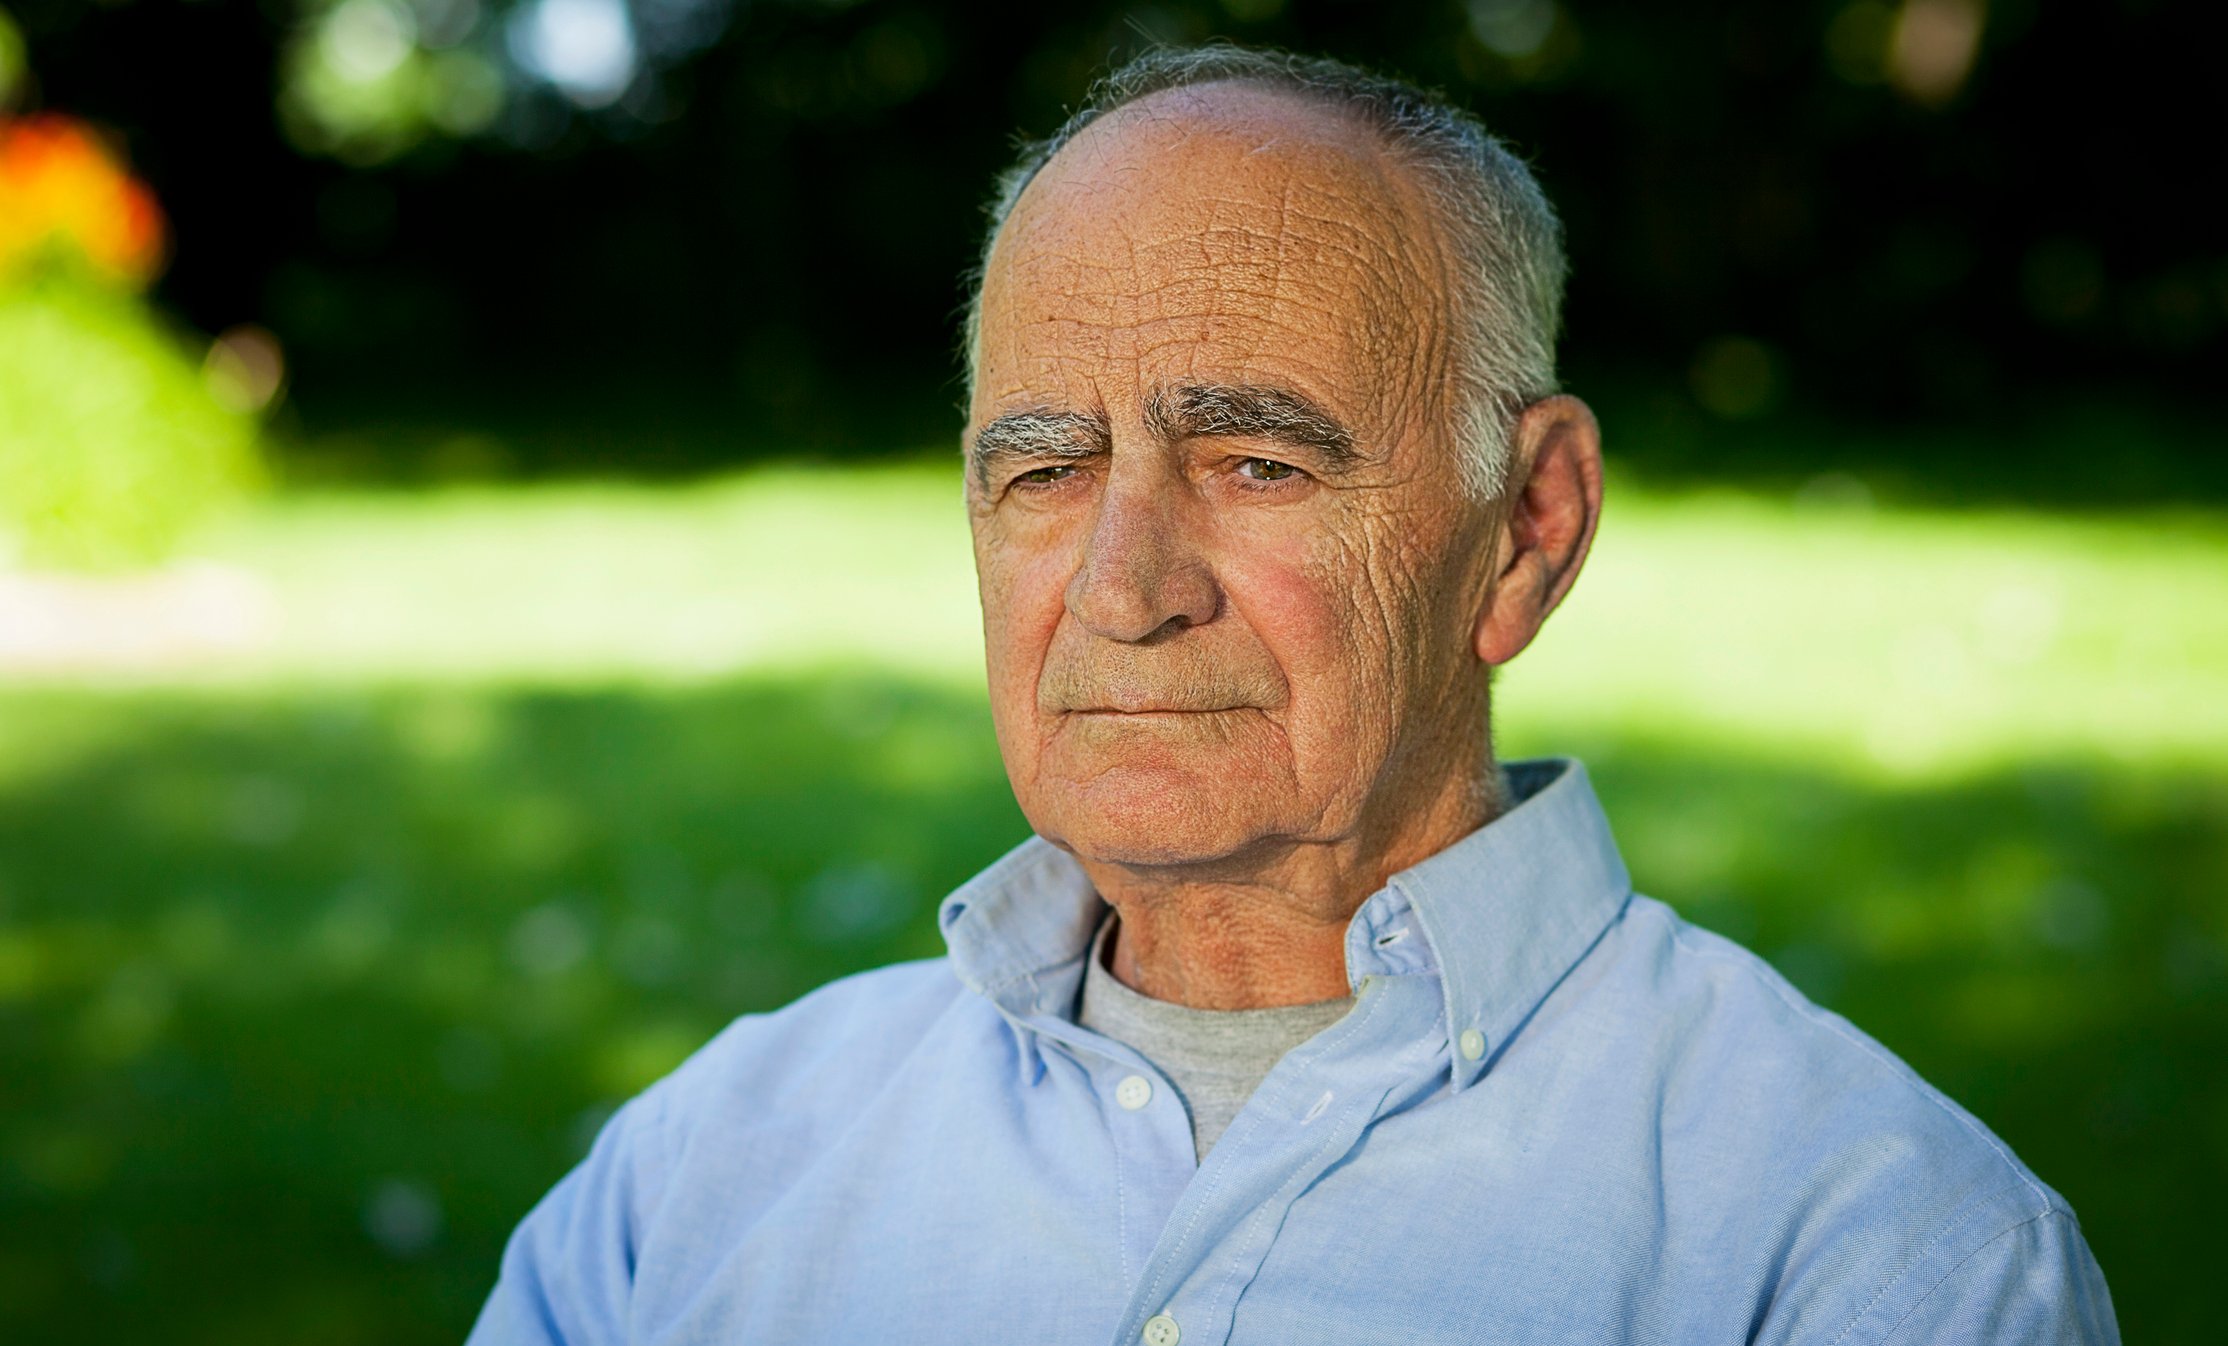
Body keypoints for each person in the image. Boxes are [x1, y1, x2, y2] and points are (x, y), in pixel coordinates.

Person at [468, 45, 2117, 1345]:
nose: (1123, 590)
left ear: (1528, 528)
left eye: (1257, 462)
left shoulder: (1873, 1256)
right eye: (1044, 469)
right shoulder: (697, 1178)